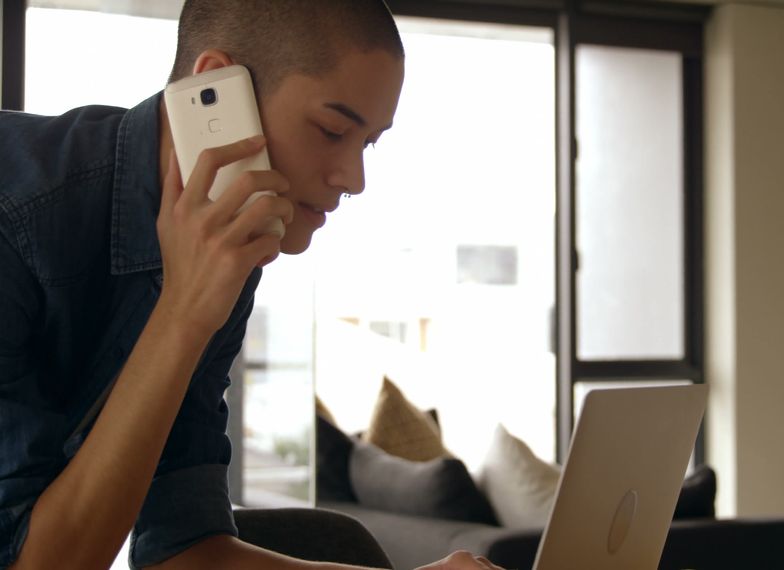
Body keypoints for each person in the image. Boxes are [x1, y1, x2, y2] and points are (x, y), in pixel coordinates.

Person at [0, 1, 505, 569]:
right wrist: (183, 315)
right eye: (332, 129)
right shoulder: (15, 218)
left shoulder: (225, 246)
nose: (354, 179)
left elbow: (183, 547)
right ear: (215, 83)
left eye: (367, 143)